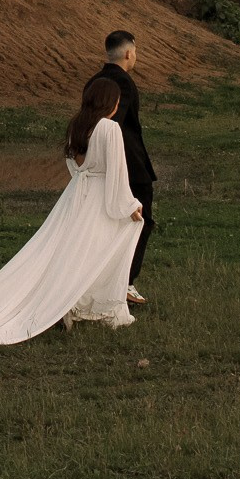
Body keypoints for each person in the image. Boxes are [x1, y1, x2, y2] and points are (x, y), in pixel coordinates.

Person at [0, 76, 144, 345]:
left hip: (75, 196)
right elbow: (116, 174)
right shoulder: (109, 129)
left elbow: (74, 169)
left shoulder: (77, 126)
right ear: (110, 102)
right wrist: (129, 205)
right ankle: (74, 306)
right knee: (91, 252)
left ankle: (69, 306)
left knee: (64, 252)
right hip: (98, 198)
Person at [91, 28, 156, 306]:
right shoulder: (124, 84)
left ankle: (108, 280)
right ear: (129, 53)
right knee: (140, 221)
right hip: (129, 166)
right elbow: (112, 125)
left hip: (101, 166)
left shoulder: (93, 82)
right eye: (136, 51)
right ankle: (125, 282)